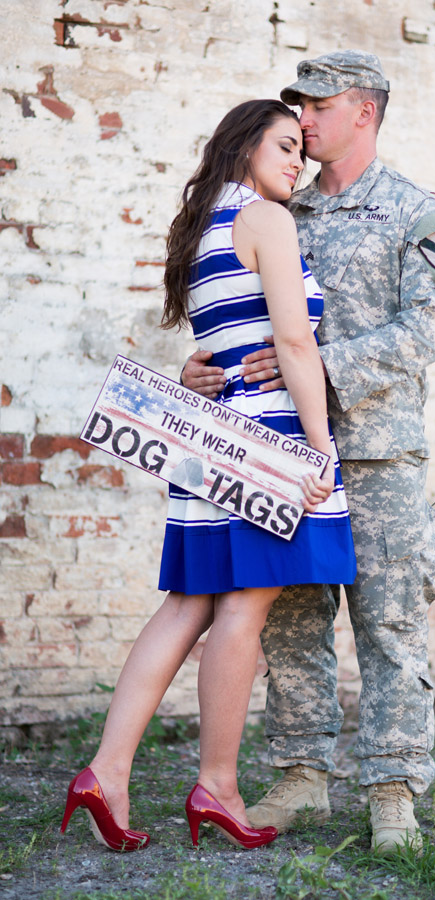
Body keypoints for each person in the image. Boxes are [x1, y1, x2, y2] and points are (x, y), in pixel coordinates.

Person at [181, 51, 435, 856]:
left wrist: (320, 359)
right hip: (279, 453)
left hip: (376, 454)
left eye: (319, 104)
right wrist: (208, 370)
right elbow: (241, 312)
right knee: (292, 624)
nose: (303, 120)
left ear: (364, 111)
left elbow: (426, 332)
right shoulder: (281, 206)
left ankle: (392, 790)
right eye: (296, 106)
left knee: (390, 622)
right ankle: (302, 774)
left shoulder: (417, 211)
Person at [60, 99, 356, 853]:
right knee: (240, 612)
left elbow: (219, 342)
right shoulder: (266, 219)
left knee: (187, 604)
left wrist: (201, 373)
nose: (297, 161)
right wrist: (320, 449)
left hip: (209, 438)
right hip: (266, 439)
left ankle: (106, 772)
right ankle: (218, 786)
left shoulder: (200, 229)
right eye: (285, 146)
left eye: (303, 151)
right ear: (244, 144)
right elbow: (291, 338)